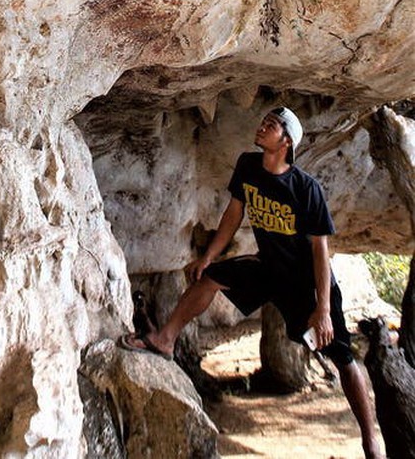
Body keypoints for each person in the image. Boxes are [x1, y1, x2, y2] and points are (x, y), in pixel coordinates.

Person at [118, 106, 384, 459]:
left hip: (307, 283)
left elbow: (321, 249)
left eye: (271, 126)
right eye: (264, 122)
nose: (262, 127)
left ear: (286, 141)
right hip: (268, 269)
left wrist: (322, 308)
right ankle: (165, 340)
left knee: (342, 356)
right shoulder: (247, 166)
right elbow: (234, 212)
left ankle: (371, 440)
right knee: (209, 279)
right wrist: (210, 255)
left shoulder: (306, 189)